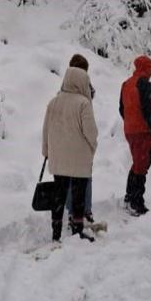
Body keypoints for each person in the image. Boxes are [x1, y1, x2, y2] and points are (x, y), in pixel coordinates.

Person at [42, 64, 98, 242]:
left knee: (58, 195)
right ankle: (77, 230)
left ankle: (56, 231)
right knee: (78, 196)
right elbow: (91, 132)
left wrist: (46, 151)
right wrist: (92, 148)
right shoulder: (83, 104)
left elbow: (46, 130)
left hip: (58, 159)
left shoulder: (53, 102)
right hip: (79, 159)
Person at [119, 55, 151, 216]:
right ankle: (137, 203)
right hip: (142, 132)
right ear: (144, 68)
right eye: (150, 68)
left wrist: (130, 121)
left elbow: (121, 109)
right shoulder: (145, 85)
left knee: (138, 163)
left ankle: (129, 196)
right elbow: (148, 111)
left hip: (130, 131)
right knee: (142, 165)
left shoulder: (126, 84)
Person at [65, 54, 97, 229]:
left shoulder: (66, 87)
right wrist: (92, 142)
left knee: (73, 177)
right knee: (83, 176)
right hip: (81, 137)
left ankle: (76, 210)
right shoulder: (84, 89)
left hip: (72, 136)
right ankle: (83, 210)